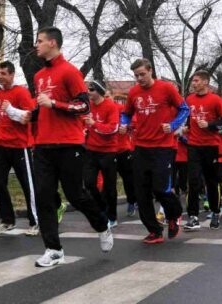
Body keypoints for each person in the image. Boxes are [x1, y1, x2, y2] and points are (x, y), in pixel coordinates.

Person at [31, 27, 112, 267]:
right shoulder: (38, 77)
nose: (36, 45)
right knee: (43, 196)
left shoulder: (70, 72)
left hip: (69, 145)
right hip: (44, 145)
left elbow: (84, 107)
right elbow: (42, 108)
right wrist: (29, 115)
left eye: (40, 41)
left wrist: (55, 103)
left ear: (53, 43)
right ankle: (54, 250)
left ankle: (102, 224)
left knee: (76, 195)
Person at [120, 58, 189, 244]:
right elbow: (126, 113)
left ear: (150, 71)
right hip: (141, 147)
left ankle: (174, 214)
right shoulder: (134, 92)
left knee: (160, 188)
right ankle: (154, 231)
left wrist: (173, 125)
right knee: (141, 193)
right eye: (136, 76)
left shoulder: (166, 88)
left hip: (162, 147)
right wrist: (123, 124)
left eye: (142, 74)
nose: (139, 78)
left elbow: (184, 109)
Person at [0, 61, 38, 236]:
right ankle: (7, 220)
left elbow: (28, 117)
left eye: (3, 73)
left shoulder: (21, 92)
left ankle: (35, 221)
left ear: (12, 75)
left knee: (28, 184)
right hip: (1, 144)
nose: (0, 76)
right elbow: (6, 115)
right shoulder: (0, 93)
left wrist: (10, 110)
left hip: (20, 146)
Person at [183, 70, 222, 231]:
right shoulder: (189, 99)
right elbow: (188, 119)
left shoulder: (215, 100)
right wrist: (185, 128)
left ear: (205, 82)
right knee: (193, 181)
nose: (193, 84)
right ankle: (193, 216)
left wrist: (209, 125)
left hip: (211, 146)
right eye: (193, 81)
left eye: (196, 81)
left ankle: (216, 212)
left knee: (212, 182)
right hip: (194, 145)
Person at [83, 80, 120, 228]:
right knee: (89, 183)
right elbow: (82, 122)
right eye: (88, 89)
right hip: (91, 150)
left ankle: (112, 216)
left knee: (110, 186)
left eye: (91, 90)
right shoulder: (89, 106)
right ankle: (101, 207)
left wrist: (94, 125)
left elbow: (113, 128)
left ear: (98, 91)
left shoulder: (110, 106)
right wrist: (84, 130)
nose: (88, 92)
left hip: (108, 151)